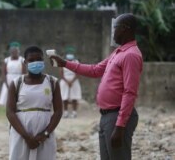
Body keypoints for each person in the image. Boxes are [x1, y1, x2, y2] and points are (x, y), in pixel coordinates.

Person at [50, 13, 143, 160]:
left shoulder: (130, 55)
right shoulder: (118, 52)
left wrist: (120, 126)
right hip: (107, 116)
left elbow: (129, 92)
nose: (113, 33)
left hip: (117, 116)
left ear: (125, 29)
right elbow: (95, 70)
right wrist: (65, 63)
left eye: (115, 28)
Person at [6, 46, 63, 160]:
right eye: (31, 60)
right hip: (21, 133)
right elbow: (10, 112)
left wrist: (44, 135)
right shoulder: (16, 83)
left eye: (38, 59)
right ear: (25, 62)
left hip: (45, 132)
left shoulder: (52, 82)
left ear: (43, 61)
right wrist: (26, 137)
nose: (35, 63)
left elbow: (58, 111)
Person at [0, 41, 26, 106]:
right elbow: (3, 73)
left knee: (18, 100)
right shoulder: (6, 60)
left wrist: (21, 83)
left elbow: (24, 73)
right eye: (12, 51)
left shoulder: (22, 60)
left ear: (18, 51)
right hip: (8, 80)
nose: (14, 52)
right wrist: (6, 83)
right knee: (8, 101)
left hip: (19, 79)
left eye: (15, 51)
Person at [60, 46, 82, 118]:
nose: (70, 54)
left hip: (74, 81)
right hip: (64, 81)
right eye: (68, 53)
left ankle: (74, 112)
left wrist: (72, 81)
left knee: (74, 97)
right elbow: (61, 73)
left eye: (71, 53)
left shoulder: (76, 62)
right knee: (65, 97)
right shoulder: (63, 62)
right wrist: (67, 81)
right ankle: (65, 112)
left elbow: (78, 73)